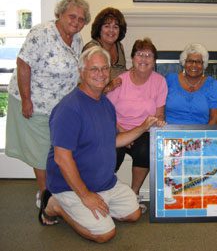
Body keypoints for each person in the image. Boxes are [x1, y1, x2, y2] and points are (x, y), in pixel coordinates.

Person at [40, 46, 163, 243]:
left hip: (104, 184)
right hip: (71, 187)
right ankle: (55, 205)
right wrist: (86, 195)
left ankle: (97, 202)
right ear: (81, 72)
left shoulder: (105, 103)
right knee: (105, 234)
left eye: (105, 69)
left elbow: (112, 141)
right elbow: (62, 159)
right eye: (94, 69)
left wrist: (142, 127)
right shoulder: (69, 109)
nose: (101, 74)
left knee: (133, 214)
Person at [5, 0, 90, 208]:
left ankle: (55, 189)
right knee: (42, 151)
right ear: (60, 14)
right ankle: (45, 196)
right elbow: (23, 63)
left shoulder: (77, 39)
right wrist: (26, 100)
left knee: (57, 149)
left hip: (59, 107)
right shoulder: (42, 33)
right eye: (72, 16)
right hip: (35, 102)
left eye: (81, 19)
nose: (76, 22)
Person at [106, 38, 167, 210]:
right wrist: (123, 131)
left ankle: (133, 194)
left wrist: (158, 121)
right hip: (118, 129)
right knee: (113, 150)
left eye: (149, 55)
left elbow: (159, 112)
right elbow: (108, 112)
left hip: (143, 132)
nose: (144, 59)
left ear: (154, 61)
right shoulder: (121, 80)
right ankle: (105, 191)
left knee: (146, 149)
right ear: (132, 58)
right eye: (140, 54)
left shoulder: (159, 81)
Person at [165, 43, 217, 124]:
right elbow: (159, 111)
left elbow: (215, 119)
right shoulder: (169, 80)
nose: (194, 65)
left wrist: (204, 136)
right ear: (184, 62)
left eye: (198, 62)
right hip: (170, 134)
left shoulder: (213, 85)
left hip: (201, 135)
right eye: (190, 61)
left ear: (204, 64)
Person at [82, 7, 127, 83]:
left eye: (115, 27)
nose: (111, 31)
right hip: (98, 93)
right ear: (99, 29)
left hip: (117, 92)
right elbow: (88, 82)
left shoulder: (119, 46)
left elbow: (123, 72)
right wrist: (109, 87)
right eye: (107, 26)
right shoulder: (92, 49)